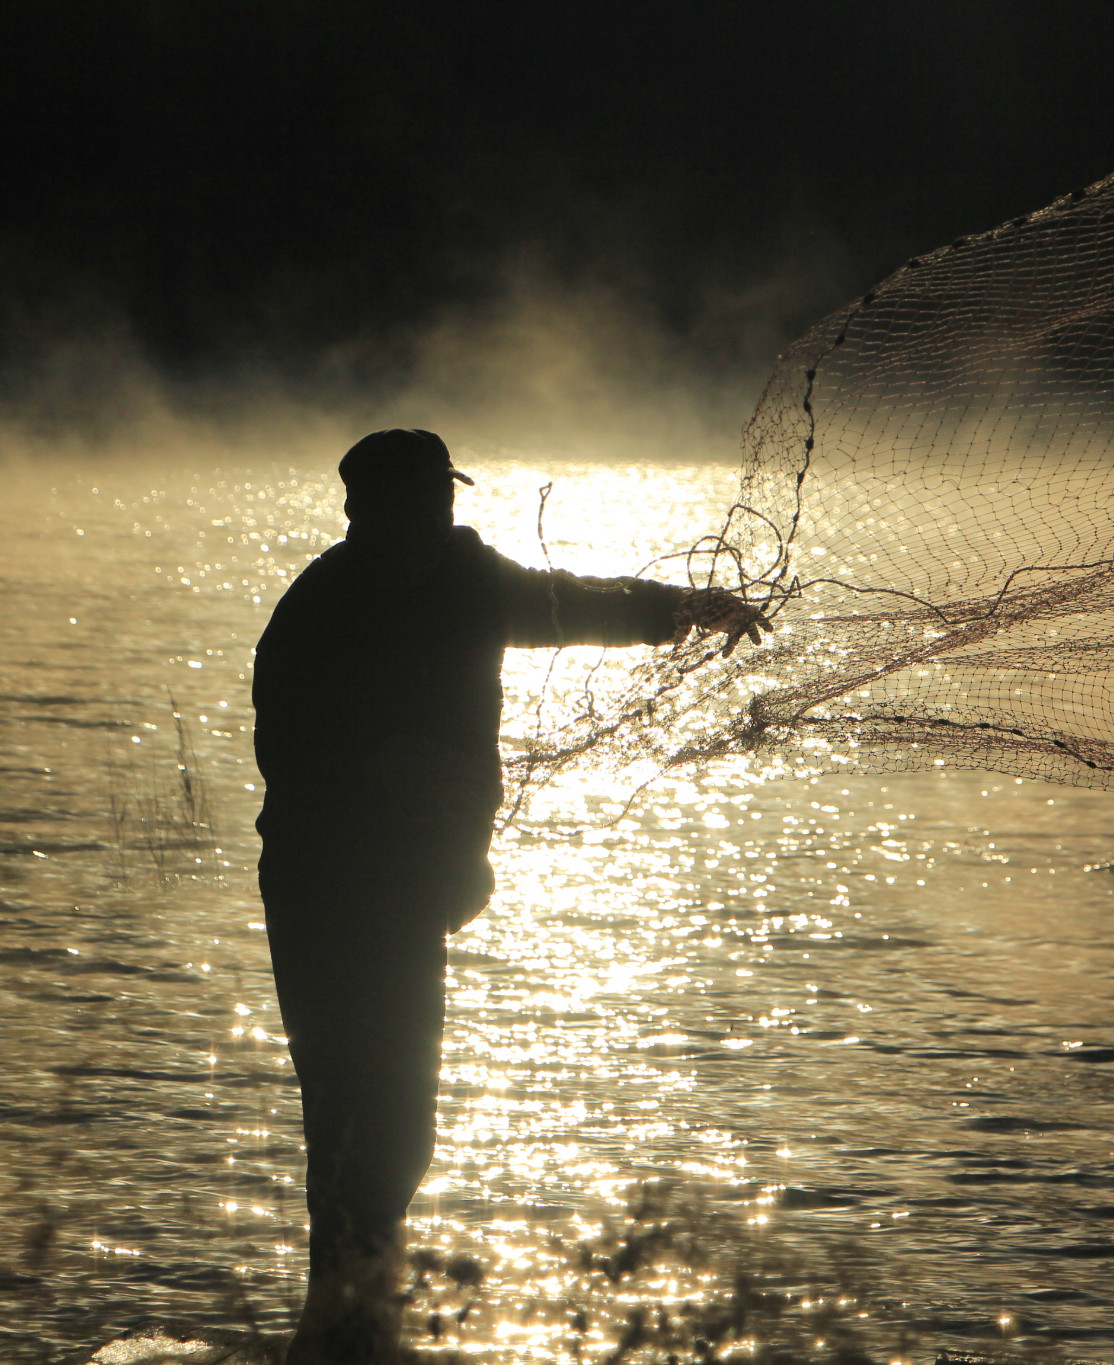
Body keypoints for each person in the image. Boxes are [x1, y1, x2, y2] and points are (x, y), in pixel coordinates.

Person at [251, 428, 766, 1362]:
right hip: (322, 890)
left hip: (408, 894)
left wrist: (688, 608)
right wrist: (379, 773)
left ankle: (352, 1327)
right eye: (412, 503)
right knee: (346, 1111)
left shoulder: (471, 581)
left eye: (442, 498)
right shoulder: (317, 609)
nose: (434, 517)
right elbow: (285, 753)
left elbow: (578, 602)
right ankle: (341, 1329)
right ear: (363, 514)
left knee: (399, 1124)